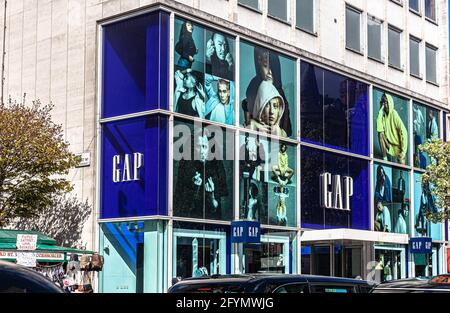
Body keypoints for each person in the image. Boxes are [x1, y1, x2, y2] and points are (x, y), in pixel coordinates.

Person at [174, 128, 228, 220]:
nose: (202, 151)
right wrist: (194, 189)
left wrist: (211, 196)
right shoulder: (186, 166)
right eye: (198, 146)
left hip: (211, 225)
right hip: (189, 224)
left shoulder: (216, 169)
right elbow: (180, 206)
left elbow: (217, 209)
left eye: (205, 147)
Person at [242, 47, 292, 137]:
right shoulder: (254, 86)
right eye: (265, 66)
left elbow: (286, 130)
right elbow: (247, 112)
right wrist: (253, 123)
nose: (270, 72)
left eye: (273, 68)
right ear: (259, 63)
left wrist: (280, 131)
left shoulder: (281, 94)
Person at [376, 93, 408, 164]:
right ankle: (385, 158)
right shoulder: (383, 117)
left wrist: (403, 152)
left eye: (386, 102)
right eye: (383, 102)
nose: (384, 105)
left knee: (401, 163)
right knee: (380, 134)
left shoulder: (394, 114)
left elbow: (404, 132)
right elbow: (379, 129)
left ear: (389, 102)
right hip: (389, 146)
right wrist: (380, 111)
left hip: (398, 148)